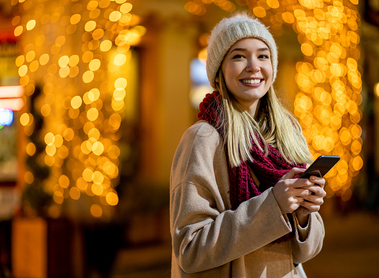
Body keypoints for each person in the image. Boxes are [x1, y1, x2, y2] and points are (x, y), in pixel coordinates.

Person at [170, 13, 326, 278]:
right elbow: (190, 249)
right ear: (220, 69)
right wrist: (273, 205)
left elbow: (303, 253)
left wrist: (302, 214)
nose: (254, 66)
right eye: (239, 56)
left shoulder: (288, 134)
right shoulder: (204, 139)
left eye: (263, 56)